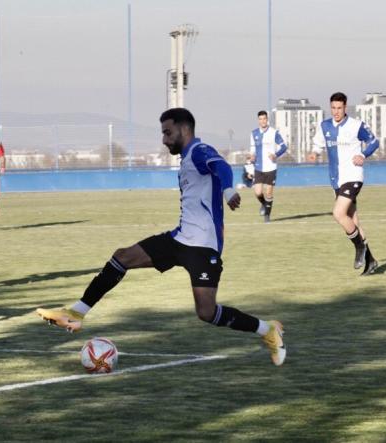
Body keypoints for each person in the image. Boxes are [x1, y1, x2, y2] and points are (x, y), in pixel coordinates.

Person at [36, 108, 286, 367]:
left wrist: (228, 189)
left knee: (207, 312)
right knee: (122, 257)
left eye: (168, 133)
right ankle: (77, 312)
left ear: (184, 129)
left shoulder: (199, 151)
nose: (165, 139)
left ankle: (267, 330)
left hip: (203, 248)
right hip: (178, 239)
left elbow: (221, 166)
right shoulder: (187, 158)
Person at [310, 92, 379, 275]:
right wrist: (315, 153)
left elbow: (374, 141)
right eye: (333, 108)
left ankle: (359, 248)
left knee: (338, 213)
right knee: (352, 220)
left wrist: (363, 155)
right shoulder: (325, 125)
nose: (336, 112)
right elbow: (317, 144)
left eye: (339, 108)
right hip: (336, 179)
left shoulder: (356, 125)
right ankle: (370, 261)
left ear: (345, 107)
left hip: (353, 176)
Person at [249, 110, 288, 223]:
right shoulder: (254, 133)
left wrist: (275, 155)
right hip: (258, 167)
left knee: (269, 192)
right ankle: (264, 204)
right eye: (260, 119)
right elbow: (252, 150)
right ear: (258, 121)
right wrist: (252, 156)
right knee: (258, 192)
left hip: (271, 167)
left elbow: (284, 146)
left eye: (264, 119)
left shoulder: (274, 132)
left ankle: (267, 216)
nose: (262, 121)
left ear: (267, 120)